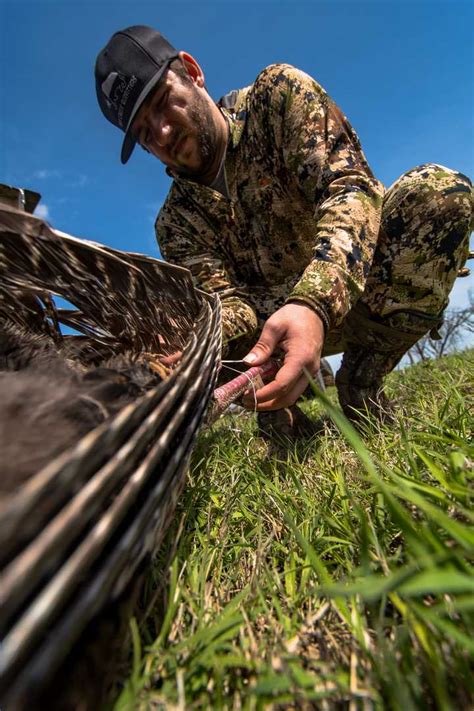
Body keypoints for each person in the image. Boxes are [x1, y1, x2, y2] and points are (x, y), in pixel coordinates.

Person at [95, 25, 472, 432]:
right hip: (273, 329)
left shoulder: (276, 97)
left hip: (360, 286)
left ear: (192, 71)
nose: (164, 133)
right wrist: (190, 345)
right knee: (202, 328)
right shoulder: (175, 223)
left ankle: (362, 381)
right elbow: (227, 304)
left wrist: (313, 304)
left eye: (164, 102)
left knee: (439, 194)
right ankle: (281, 411)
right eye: (145, 133)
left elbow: (349, 189)